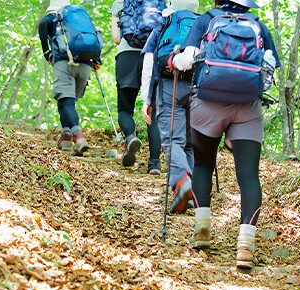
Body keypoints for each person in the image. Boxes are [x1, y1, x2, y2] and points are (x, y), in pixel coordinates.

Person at [172, 0, 280, 268]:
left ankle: (202, 229)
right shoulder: (258, 25)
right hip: (248, 107)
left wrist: (175, 59)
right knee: (248, 176)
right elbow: (271, 66)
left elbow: (186, 60)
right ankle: (245, 245)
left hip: (207, 104)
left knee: (204, 165)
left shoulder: (207, 19)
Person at [141, 0, 199, 213]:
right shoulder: (203, 25)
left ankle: (181, 183)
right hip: (197, 89)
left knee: (173, 139)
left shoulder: (163, 26)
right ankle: (191, 191)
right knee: (191, 144)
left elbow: (149, 65)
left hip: (169, 85)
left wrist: (147, 100)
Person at [38, 0, 101, 156]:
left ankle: (78, 137)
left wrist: (47, 53)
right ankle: (66, 136)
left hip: (65, 63)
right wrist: (96, 59)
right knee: (66, 100)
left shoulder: (52, 17)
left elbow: (41, 26)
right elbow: (95, 35)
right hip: (85, 65)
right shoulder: (79, 17)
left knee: (66, 101)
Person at [110, 0, 162, 174]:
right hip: (152, 55)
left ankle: (131, 137)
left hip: (127, 57)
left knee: (125, 109)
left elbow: (116, 38)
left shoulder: (121, 2)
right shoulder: (160, 2)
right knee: (152, 110)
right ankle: (154, 164)